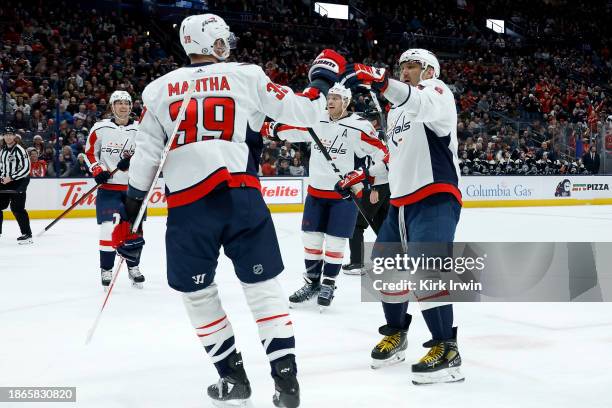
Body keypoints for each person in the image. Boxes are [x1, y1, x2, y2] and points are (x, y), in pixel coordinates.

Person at [121, 13, 344, 407]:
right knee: (262, 290)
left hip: (189, 207)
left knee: (198, 294)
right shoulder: (247, 75)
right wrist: (322, 80)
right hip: (242, 196)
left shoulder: (158, 90)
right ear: (215, 44)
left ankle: (232, 378)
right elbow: (305, 113)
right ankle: (286, 380)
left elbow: (145, 162)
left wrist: (129, 217)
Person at [340, 48, 464, 384]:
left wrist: (382, 81)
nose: (405, 71)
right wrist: (366, 177)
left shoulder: (437, 93)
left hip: (435, 194)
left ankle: (446, 348)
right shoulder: (396, 111)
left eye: (412, 66)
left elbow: (420, 104)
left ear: (428, 70)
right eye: (402, 67)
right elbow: (395, 155)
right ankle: (396, 333)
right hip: (402, 201)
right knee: (384, 267)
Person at [261, 83, 388, 309]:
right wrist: (264, 128)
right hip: (315, 193)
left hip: (343, 196)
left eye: (337, 98)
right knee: (311, 240)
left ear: (346, 102)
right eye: (329, 97)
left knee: (336, 242)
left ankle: (328, 283)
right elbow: (289, 129)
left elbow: (384, 154)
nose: (330, 101)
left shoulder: (360, 127)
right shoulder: (315, 119)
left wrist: (365, 177)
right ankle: (312, 283)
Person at [84, 90, 144, 290]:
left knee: (133, 231)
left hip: (134, 188)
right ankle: (106, 268)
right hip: (108, 188)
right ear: (112, 106)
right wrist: (97, 170)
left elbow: (150, 153)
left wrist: (133, 162)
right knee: (108, 228)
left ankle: (133, 267)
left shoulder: (141, 129)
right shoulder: (100, 128)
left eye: (126, 103)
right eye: (119, 103)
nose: (123, 106)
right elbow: (90, 152)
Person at [342, 110, 391, 275]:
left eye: (366, 120)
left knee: (356, 224)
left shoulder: (372, 137)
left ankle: (357, 263)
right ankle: (389, 260)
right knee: (383, 225)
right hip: (384, 186)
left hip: (376, 185)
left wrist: (374, 188)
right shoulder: (380, 136)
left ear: (375, 123)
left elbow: (378, 164)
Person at [0, 127, 33, 243]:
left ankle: (27, 234)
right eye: (6, 134)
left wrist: (11, 177)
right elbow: (1, 168)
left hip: (19, 182)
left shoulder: (20, 150)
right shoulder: (2, 151)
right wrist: (2, 178)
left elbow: (26, 168)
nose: (8, 137)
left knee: (17, 209)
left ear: (14, 136)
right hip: (5, 181)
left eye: (10, 134)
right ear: (3, 136)